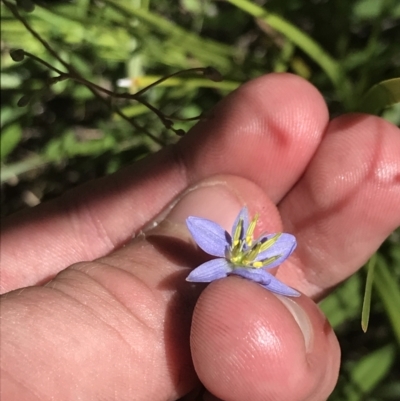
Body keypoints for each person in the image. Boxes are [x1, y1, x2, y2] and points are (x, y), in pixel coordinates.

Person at [1, 73, 399, 401]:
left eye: (250, 252)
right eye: (245, 246)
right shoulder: (212, 249)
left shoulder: (242, 267)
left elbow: (275, 259)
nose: (247, 252)